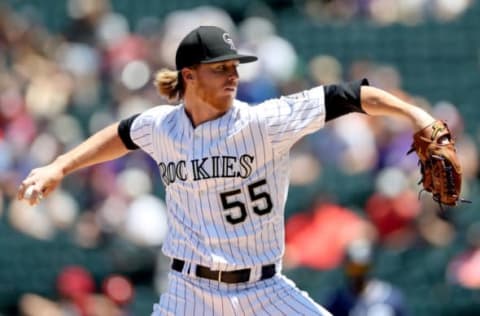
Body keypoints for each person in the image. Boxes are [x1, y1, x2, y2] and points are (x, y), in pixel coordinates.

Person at [17, 25, 438, 315]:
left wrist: (417, 116)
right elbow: (123, 133)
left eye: (234, 67)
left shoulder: (263, 121)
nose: (232, 75)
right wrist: (59, 166)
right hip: (190, 292)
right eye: (220, 68)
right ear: (190, 76)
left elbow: (347, 95)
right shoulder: (162, 127)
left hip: (263, 290)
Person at [325, 239, 409, 316]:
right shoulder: (337, 301)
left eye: (362, 268)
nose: (358, 273)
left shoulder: (391, 297)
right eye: (353, 268)